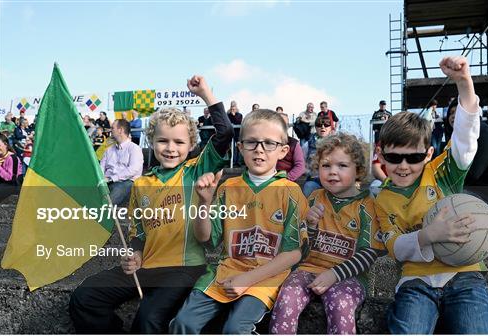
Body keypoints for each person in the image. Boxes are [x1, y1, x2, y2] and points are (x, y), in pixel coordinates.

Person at [69, 75, 233, 334]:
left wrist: (206, 93)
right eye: (163, 141)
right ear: (151, 142)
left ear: (192, 145)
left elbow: (225, 133)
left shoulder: (195, 170)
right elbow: (138, 234)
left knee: (147, 318)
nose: (170, 148)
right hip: (146, 268)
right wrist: (134, 254)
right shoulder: (141, 184)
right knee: (85, 297)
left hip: (184, 270)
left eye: (179, 142)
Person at [376, 56, 488, 334]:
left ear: (428, 154)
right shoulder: (382, 199)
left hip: (465, 274)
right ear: (381, 155)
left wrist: (464, 83)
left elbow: (466, 137)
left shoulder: (441, 172)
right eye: (394, 157)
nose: (404, 166)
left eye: (414, 157)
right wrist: (429, 235)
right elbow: (394, 247)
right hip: (415, 281)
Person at [170, 109, 308, 334]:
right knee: (183, 323)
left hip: (266, 277)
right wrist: (204, 202)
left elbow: (294, 253)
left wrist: (248, 279)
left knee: (235, 329)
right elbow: (206, 238)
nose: (260, 149)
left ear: (283, 151)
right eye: (252, 142)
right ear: (241, 147)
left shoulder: (291, 192)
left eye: (269, 143)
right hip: (226, 271)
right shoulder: (227, 188)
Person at [270, 133, 385, 334]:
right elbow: (301, 248)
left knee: (341, 302)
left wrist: (334, 274)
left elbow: (369, 254)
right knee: (287, 295)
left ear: (358, 170)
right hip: (307, 268)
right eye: (326, 165)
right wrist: (310, 226)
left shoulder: (368, 206)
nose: (332, 172)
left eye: (342, 166)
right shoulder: (314, 198)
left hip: (349, 276)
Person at [445, 98, 488, 211]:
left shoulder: (483, 132)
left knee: (439, 200)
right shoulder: (459, 137)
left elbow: (473, 173)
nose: (453, 116)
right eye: (451, 113)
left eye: (458, 112)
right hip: (474, 190)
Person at [99, 119, 144, 206]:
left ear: (120, 130)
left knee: (106, 203)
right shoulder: (108, 149)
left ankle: (101, 212)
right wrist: (101, 178)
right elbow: (101, 167)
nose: (110, 130)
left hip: (126, 182)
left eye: (112, 128)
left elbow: (133, 170)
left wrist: (111, 178)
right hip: (107, 180)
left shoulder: (134, 148)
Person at [301, 116, 334, 197]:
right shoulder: (307, 144)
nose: (323, 127)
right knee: (308, 187)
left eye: (326, 125)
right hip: (314, 179)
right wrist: (308, 171)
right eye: (319, 125)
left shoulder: (337, 144)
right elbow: (302, 161)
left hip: (332, 178)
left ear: (330, 128)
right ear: (315, 127)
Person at [276, 113, 305, 181]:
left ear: (288, 126)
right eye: (279, 123)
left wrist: (287, 178)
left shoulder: (294, 143)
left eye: (284, 124)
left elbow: (300, 166)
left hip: (285, 179)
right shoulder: (266, 141)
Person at [227, 100, 243, 166]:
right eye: (232, 106)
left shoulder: (240, 115)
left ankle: (238, 162)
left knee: (238, 148)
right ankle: (232, 162)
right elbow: (228, 122)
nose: (233, 108)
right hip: (231, 133)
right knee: (231, 148)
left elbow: (238, 121)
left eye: (234, 106)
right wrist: (231, 115)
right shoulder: (228, 115)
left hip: (237, 133)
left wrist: (234, 115)